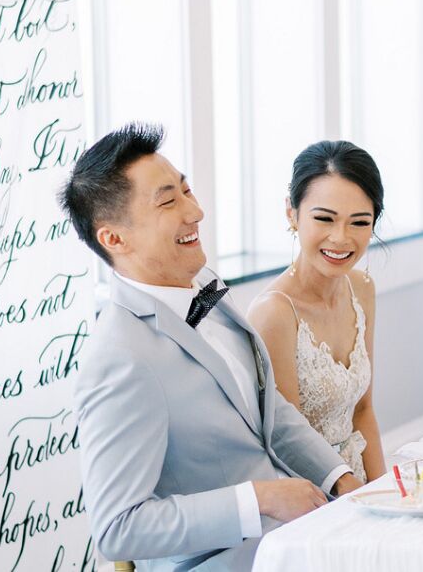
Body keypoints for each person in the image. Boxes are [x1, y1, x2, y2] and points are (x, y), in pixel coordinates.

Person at [60, 124, 362, 571]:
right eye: (168, 201)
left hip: (295, 542)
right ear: (114, 239)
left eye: (187, 190)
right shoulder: (118, 357)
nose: (195, 211)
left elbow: (267, 410)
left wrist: (344, 482)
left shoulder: (203, 286)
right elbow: (118, 526)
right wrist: (261, 497)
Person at [247, 140, 386, 483]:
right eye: (324, 218)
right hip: (307, 491)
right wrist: (348, 493)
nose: (340, 238)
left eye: (359, 222)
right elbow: (288, 446)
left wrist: (384, 489)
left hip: (359, 482)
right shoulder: (274, 314)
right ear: (291, 214)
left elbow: (363, 411)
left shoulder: (362, 288)